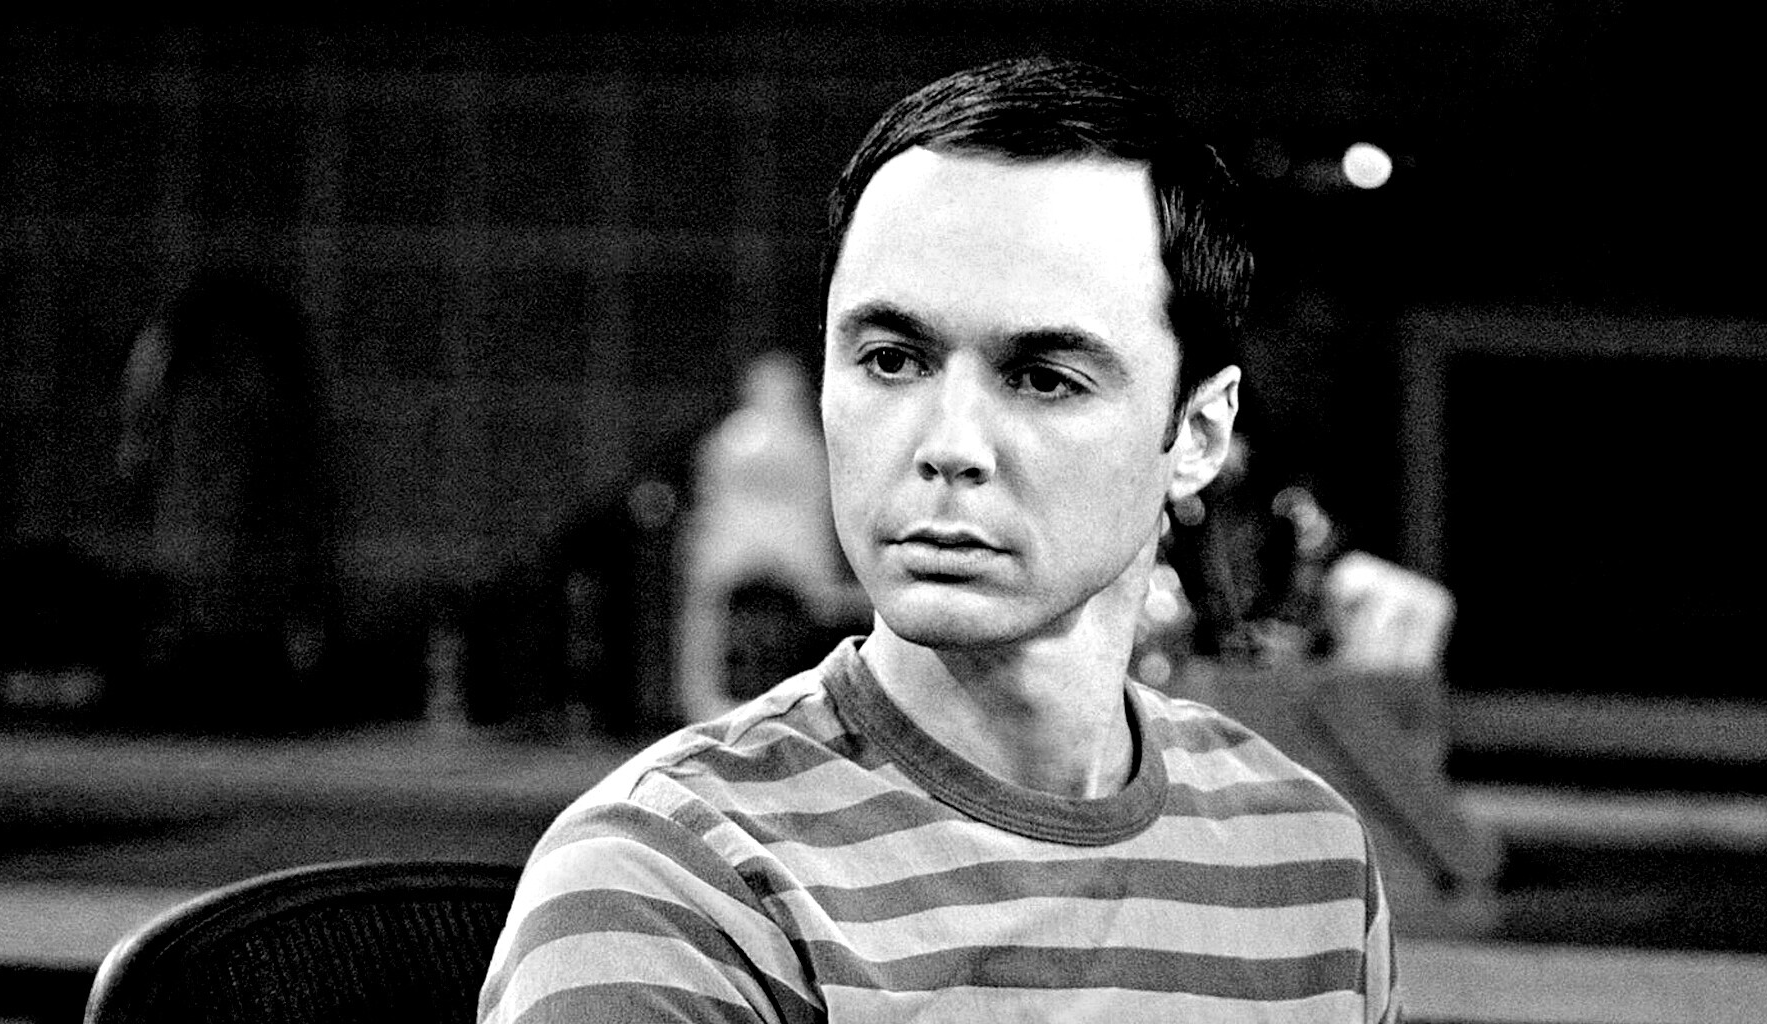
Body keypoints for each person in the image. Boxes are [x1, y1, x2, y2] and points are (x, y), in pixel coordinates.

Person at [478, 56, 1399, 1022]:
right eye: (891, 360)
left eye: (1044, 377)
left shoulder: (1310, 861)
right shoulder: (674, 882)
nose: (950, 445)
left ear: (1199, 435)